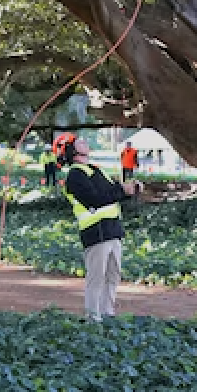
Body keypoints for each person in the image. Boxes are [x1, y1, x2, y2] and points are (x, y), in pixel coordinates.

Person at [61, 136, 139, 321]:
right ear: (71, 150)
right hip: (96, 233)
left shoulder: (96, 169)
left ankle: (107, 314)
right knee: (96, 278)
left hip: (112, 230)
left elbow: (111, 192)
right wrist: (121, 191)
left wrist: (128, 190)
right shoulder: (75, 175)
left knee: (113, 275)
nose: (85, 142)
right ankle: (93, 318)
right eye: (80, 142)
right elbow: (94, 199)